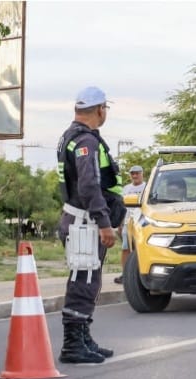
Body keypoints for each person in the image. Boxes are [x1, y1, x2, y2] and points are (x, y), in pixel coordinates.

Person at [56, 85, 122, 364]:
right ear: (99, 110)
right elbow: (89, 184)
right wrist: (104, 222)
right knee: (82, 282)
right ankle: (72, 345)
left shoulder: (71, 137)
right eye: (105, 108)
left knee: (89, 280)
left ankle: (83, 338)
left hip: (80, 219)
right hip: (84, 222)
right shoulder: (86, 142)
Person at [114, 165, 147, 284]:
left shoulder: (147, 187)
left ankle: (142, 273)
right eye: (132, 173)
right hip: (128, 221)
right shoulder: (126, 189)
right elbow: (122, 207)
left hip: (142, 222)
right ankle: (125, 274)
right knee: (126, 248)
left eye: (137, 173)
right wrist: (120, 222)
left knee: (141, 248)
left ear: (142, 174)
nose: (135, 176)